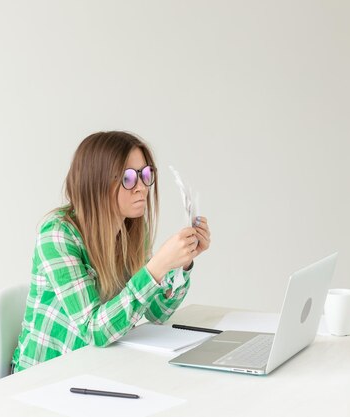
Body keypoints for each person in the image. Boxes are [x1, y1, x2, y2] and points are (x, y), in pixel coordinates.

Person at [11, 131, 211, 373]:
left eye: (145, 174)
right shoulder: (58, 235)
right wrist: (156, 267)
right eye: (128, 178)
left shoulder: (131, 229)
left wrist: (180, 263)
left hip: (95, 367)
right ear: (96, 182)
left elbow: (158, 313)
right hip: (44, 376)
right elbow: (94, 329)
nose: (142, 188)